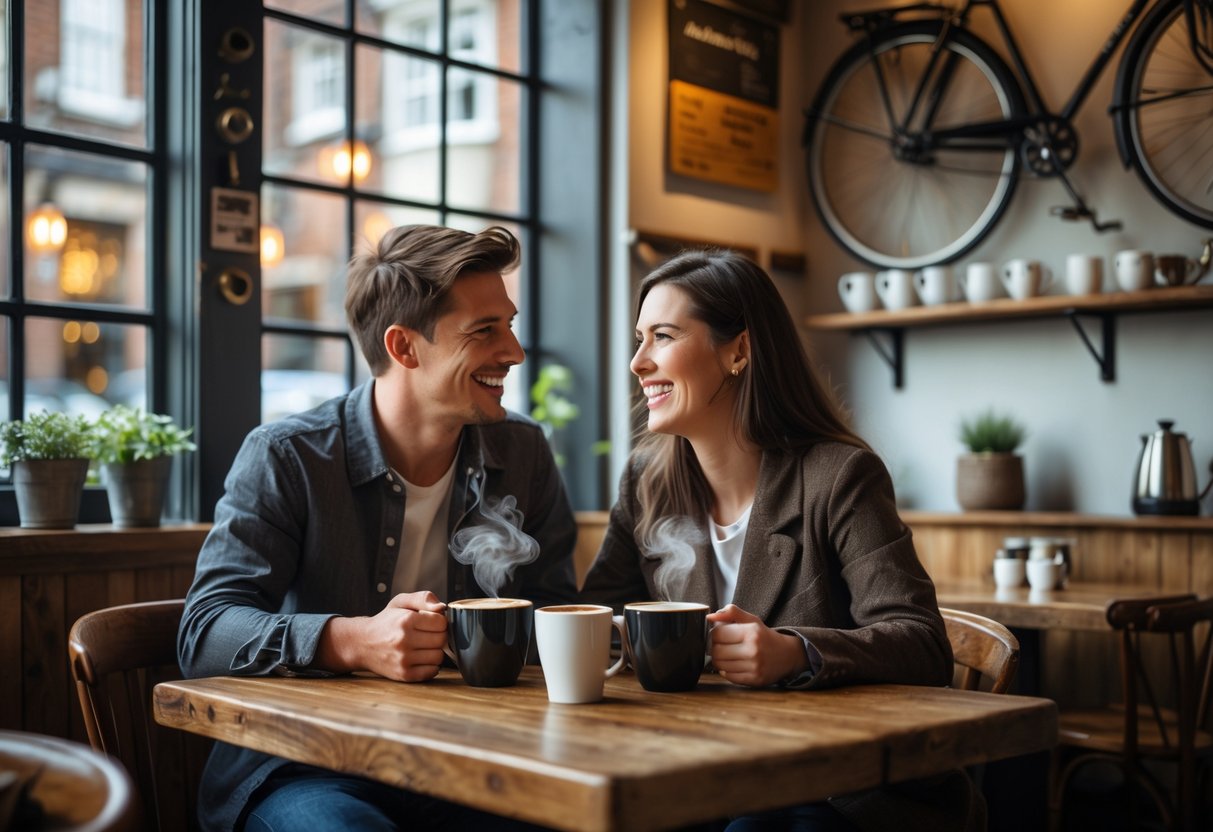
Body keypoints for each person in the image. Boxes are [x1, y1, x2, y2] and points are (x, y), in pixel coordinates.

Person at [179, 225, 577, 831]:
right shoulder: (288, 456)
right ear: (404, 346)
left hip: (475, 762)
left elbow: (554, 610)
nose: (514, 352)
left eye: (510, 325)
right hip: (304, 765)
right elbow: (205, 633)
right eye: (484, 331)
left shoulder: (521, 452)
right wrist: (353, 641)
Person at [581, 250, 981, 832]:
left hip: (834, 792)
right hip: (691, 767)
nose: (638, 362)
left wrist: (796, 652)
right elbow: (600, 622)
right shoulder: (647, 481)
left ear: (738, 351)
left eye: (662, 337)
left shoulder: (839, 476)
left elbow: (924, 645)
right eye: (639, 340)